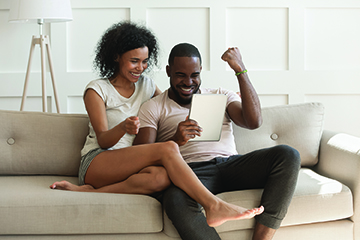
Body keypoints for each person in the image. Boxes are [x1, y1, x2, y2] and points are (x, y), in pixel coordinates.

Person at [49, 21, 264, 228]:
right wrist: (124, 127)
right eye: (134, 61)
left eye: (144, 62)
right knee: (168, 147)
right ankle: (213, 205)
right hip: (99, 161)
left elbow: (170, 106)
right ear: (116, 57)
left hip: (134, 162)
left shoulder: (147, 85)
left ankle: (89, 193)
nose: (140, 68)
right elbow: (104, 139)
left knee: (162, 178)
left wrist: (228, 100)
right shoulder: (96, 90)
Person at [133, 43, 301, 240]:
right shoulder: (153, 107)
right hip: (192, 172)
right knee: (174, 197)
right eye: (180, 75)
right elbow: (140, 157)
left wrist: (240, 70)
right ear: (169, 71)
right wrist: (175, 141)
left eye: (194, 75)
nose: (188, 82)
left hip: (232, 165)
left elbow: (254, 122)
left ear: (201, 71)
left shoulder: (221, 95)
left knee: (288, 155)